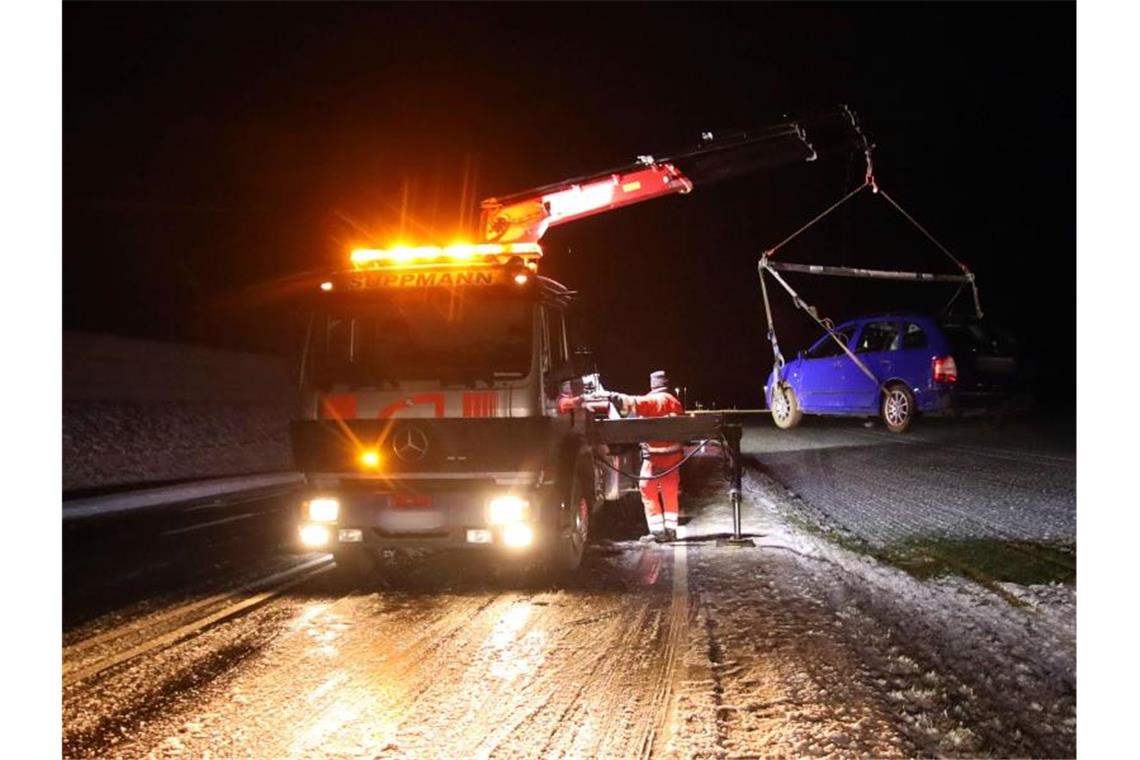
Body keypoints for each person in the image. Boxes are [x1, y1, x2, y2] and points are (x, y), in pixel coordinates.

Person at [608, 370, 684, 543]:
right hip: (674, 458)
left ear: (653, 385)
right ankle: (671, 530)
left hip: (655, 457)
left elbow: (636, 403)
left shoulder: (655, 400)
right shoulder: (675, 401)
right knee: (669, 491)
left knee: (646, 487)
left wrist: (616, 397)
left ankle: (657, 532)